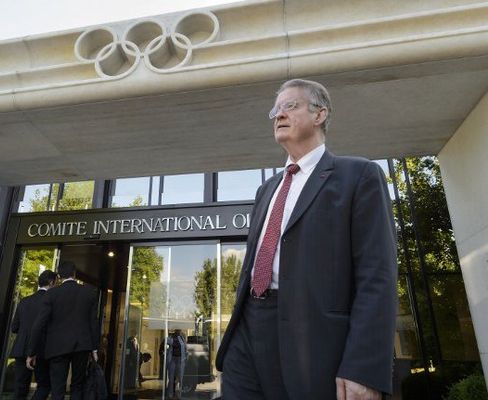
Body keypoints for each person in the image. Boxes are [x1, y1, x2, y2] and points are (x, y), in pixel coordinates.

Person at [215, 79, 398, 400]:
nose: (278, 115)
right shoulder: (266, 189)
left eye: (290, 106)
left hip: (314, 342)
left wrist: (363, 367)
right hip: (248, 332)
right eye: (275, 109)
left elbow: (377, 276)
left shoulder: (359, 175)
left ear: (320, 114)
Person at [27, 261, 100, 400]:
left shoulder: (52, 293)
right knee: (78, 385)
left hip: (57, 346)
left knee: (57, 388)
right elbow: (93, 322)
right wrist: (94, 348)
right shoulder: (88, 292)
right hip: (82, 345)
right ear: (74, 274)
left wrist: (32, 351)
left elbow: (39, 323)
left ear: (59, 276)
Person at [10, 270, 57, 400]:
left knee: (20, 388)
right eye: (56, 283)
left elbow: (14, 328)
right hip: (41, 350)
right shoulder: (52, 302)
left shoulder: (24, 301)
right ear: (51, 282)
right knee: (44, 385)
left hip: (21, 349)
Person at [165, 329, 187, 399]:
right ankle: (170, 394)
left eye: (180, 330)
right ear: (175, 330)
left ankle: (180, 394)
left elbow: (185, 348)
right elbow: (166, 344)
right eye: (178, 330)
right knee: (171, 378)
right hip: (172, 359)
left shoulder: (182, 337)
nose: (179, 331)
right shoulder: (170, 337)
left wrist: (186, 357)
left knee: (180, 378)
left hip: (180, 359)